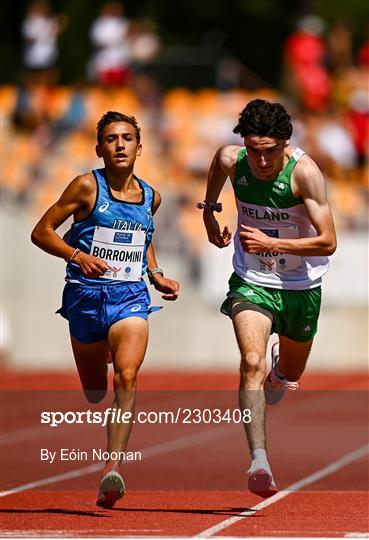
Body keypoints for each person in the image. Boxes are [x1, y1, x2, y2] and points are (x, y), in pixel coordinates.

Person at [31, 111, 179, 508]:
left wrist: (156, 274)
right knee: (96, 392)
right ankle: (104, 347)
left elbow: (142, 237)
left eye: (127, 138)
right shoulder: (85, 186)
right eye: (111, 139)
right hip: (84, 299)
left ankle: (112, 469)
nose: (119, 145)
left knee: (127, 378)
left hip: (130, 297)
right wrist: (78, 255)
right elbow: (41, 232)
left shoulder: (152, 197)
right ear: (99, 148)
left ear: (139, 147)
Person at [199, 99, 336, 497]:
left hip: (300, 288)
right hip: (251, 281)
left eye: (270, 152)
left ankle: (282, 373)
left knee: (288, 375)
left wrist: (272, 242)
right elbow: (217, 171)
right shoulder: (231, 158)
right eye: (254, 151)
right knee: (251, 361)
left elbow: (328, 241)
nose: (261, 162)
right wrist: (210, 212)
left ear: (285, 145)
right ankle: (259, 460)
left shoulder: (304, 174)